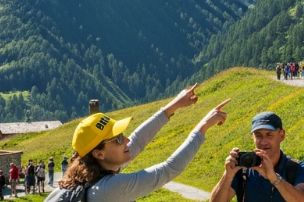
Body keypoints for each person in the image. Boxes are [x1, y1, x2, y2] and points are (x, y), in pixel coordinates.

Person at [52, 84, 230, 202]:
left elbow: (138, 139)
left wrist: (174, 105)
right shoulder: (109, 188)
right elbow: (168, 170)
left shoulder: (90, 177)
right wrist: (204, 125)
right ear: (98, 153)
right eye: (119, 139)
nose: (127, 140)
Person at [210, 112, 304, 202]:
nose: (263, 142)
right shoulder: (243, 169)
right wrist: (227, 176)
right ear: (253, 137)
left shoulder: (297, 168)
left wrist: (274, 178)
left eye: (269, 135)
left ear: (281, 135)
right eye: (258, 135)